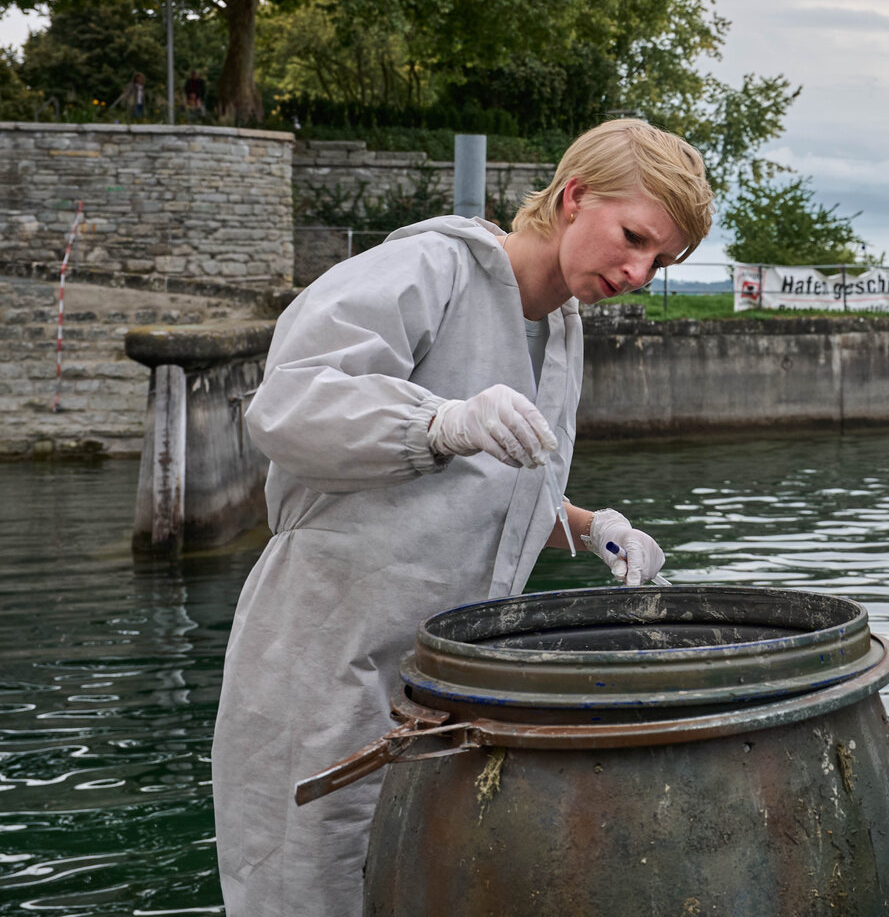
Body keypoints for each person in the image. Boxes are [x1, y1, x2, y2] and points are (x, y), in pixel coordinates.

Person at [211, 117, 714, 917]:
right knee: (307, 883)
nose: (639, 272)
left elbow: (490, 493)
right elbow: (288, 407)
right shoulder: (427, 267)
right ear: (574, 196)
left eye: (661, 261)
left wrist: (588, 528)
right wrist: (435, 423)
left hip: (447, 679)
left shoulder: (559, 329)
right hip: (329, 656)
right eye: (634, 238)